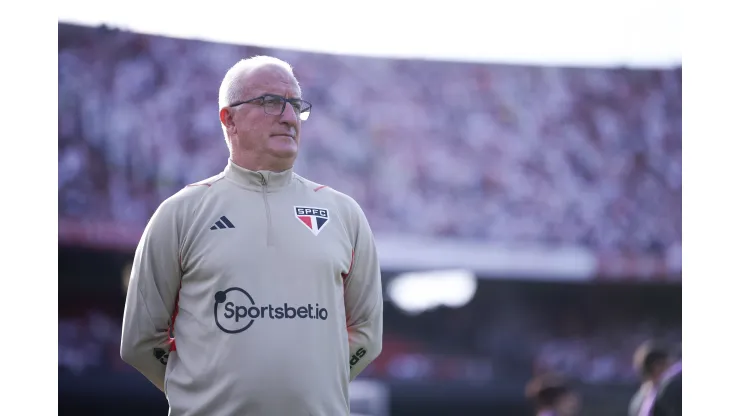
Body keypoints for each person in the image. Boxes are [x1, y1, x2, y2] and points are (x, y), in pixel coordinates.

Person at [120, 55, 384, 416]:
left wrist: (318, 382)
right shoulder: (180, 213)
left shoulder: (345, 214)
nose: (289, 117)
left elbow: (367, 334)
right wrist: (202, 389)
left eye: (295, 105)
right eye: (271, 102)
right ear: (229, 118)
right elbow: (140, 341)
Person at [629, 340, 681, 416]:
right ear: (656, 366)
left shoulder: (639, 398)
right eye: (666, 363)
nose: (670, 367)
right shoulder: (667, 393)